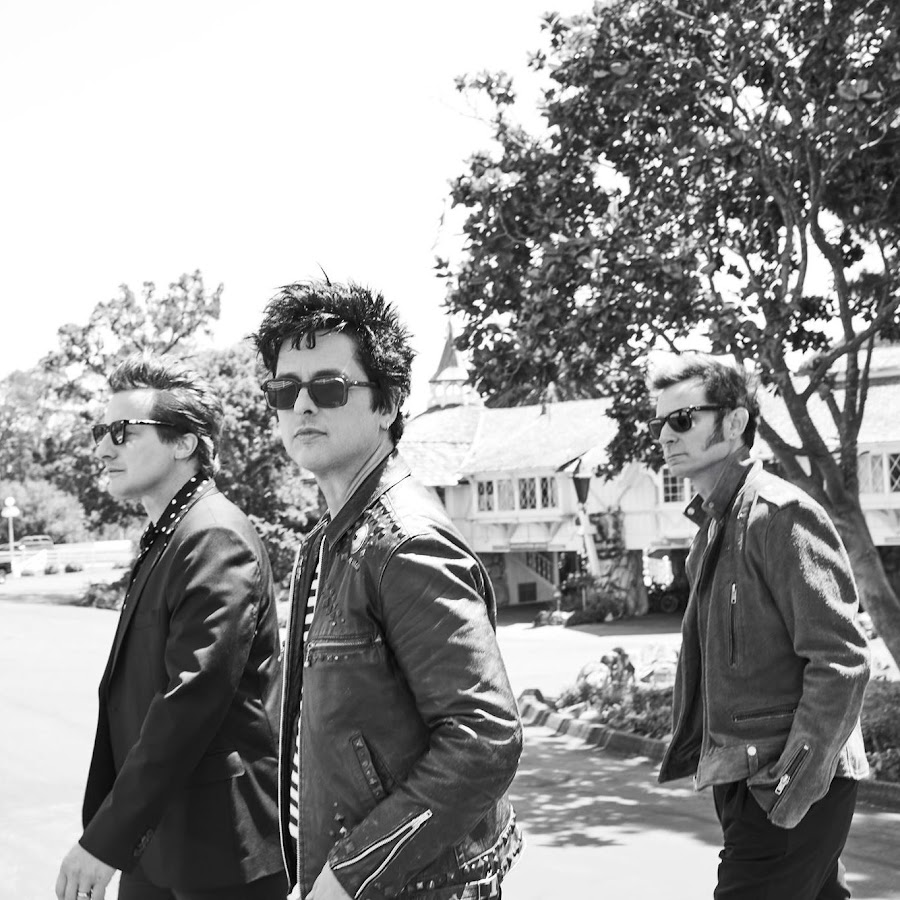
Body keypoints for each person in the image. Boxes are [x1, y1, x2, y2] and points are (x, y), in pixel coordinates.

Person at [252, 279, 523, 900]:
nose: (302, 405)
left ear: (388, 403)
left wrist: (351, 875)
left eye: (329, 387)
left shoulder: (405, 544)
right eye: (284, 390)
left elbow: (485, 739)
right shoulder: (329, 540)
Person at [55, 356, 286, 900]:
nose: (102, 448)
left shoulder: (214, 536)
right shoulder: (171, 533)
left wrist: (106, 838)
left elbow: (189, 703)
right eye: (99, 432)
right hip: (159, 841)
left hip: (218, 852)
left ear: (184, 443)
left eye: (122, 431)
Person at [652, 354, 871, 899]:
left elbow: (841, 660)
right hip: (745, 779)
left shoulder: (780, 514)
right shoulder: (715, 527)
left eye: (683, 419)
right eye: (660, 422)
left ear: (734, 422)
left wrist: (790, 783)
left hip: (785, 783)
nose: (665, 435)